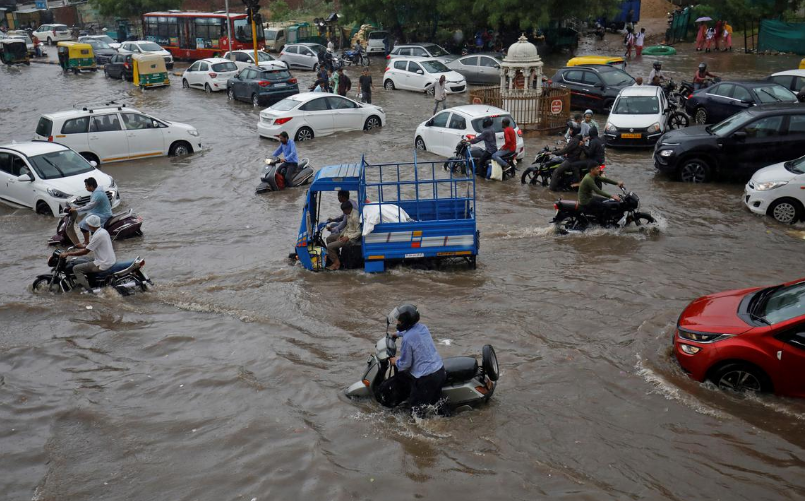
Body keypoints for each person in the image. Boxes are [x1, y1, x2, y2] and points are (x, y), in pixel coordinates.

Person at [385, 305, 446, 418]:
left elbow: (405, 365)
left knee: (416, 410)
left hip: (426, 378)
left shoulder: (407, 340)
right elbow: (410, 332)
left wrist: (395, 361)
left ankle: (419, 431)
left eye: (399, 320)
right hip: (439, 371)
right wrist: (396, 334)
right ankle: (446, 420)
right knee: (437, 404)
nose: (397, 322)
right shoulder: (423, 328)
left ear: (405, 322)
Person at [59, 215, 116, 293]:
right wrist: (81, 246)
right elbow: (90, 246)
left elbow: (85, 252)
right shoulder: (103, 231)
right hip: (109, 259)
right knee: (86, 260)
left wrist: (68, 254)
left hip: (103, 263)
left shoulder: (97, 235)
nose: (87, 225)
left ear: (91, 225)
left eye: (88, 224)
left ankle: (89, 290)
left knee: (76, 268)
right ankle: (91, 282)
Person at [70, 177, 112, 247]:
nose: (86, 188)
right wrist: (78, 207)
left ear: (91, 186)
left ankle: (86, 242)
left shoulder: (98, 194)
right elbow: (90, 204)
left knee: (83, 225)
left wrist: (77, 210)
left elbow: (90, 206)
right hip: (98, 212)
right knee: (88, 222)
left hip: (103, 215)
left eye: (86, 186)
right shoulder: (96, 192)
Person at [326, 201, 361, 270]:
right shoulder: (349, 214)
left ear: (348, 209)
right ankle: (336, 257)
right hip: (347, 233)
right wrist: (341, 235)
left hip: (351, 239)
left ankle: (337, 264)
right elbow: (347, 226)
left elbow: (359, 232)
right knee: (329, 239)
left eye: (344, 211)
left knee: (329, 247)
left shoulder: (355, 217)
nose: (343, 212)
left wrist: (347, 237)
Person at [550, 123, 584, 190]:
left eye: (571, 130)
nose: (570, 131)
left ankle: (552, 189)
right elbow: (568, 148)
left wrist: (552, 152)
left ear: (574, 131)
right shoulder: (578, 138)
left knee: (556, 172)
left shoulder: (574, 140)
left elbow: (564, 151)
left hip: (571, 161)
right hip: (576, 160)